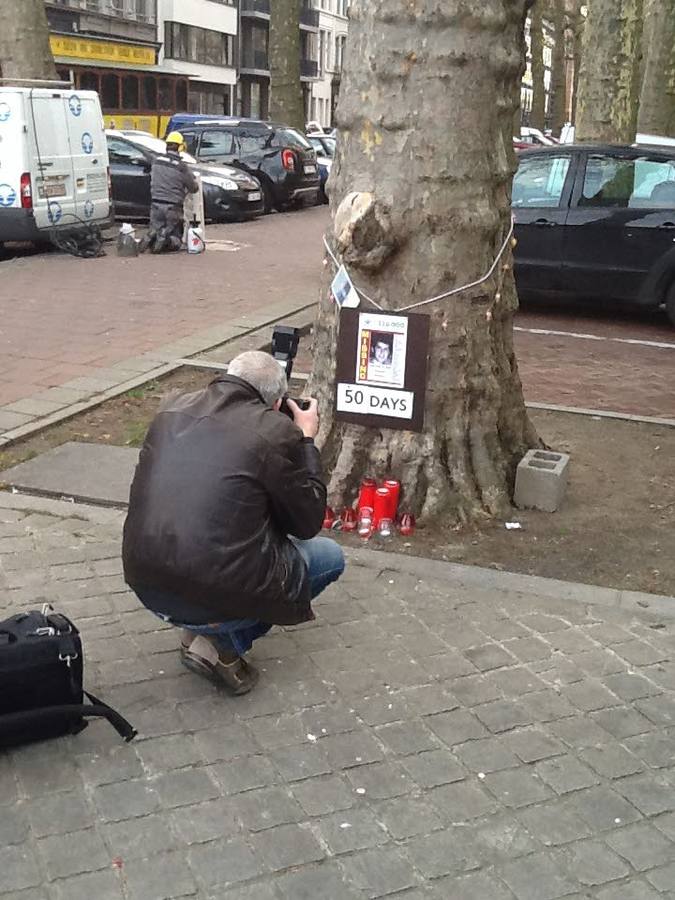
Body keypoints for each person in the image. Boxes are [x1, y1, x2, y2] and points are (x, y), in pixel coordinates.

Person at [122, 351, 345, 695]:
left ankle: (200, 625)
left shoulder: (170, 409)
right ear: (277, 403)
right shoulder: (274, 432)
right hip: (213, 588)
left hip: (146, 579)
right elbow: (306, 523)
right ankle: (220, 644)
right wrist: (306, 440)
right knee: (329, 557)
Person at [140, 131, 198, 254]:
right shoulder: (181, 167)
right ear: (181, 147)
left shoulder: (156, 161)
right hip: (173, 206)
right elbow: (193, 188)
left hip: (155, 203)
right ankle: (166, 238)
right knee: (176, 239)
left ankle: (152, 235)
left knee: (156, 227)